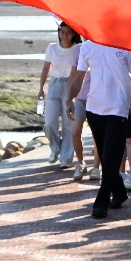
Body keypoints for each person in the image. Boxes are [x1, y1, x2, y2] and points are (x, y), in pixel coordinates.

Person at [67, 42, 131, 219]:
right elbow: (79, 76)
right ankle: (119, 192)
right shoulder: (87, 47)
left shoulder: (128, 46)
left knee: (111, 155)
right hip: (93, 108)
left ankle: (101, 202)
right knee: (105, 155)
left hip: (118, 109)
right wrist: (70, 99)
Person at [38, 22, 81, 164]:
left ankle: (66, 157)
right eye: (62, 32)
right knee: (49, 123)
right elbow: (45, 69)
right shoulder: (52, 47)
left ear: (73, 34)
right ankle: (55, 148)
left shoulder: (77, 49)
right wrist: (41, 88)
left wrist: (74, 94)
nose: (64, 35)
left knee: (68, 124)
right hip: (54, 84)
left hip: (70, 85)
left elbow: (78, 72)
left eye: (68, 32)